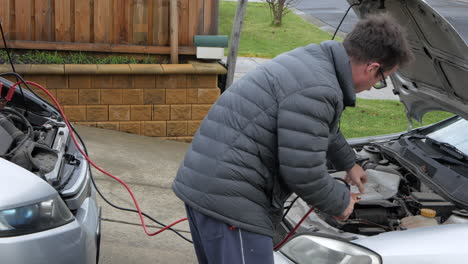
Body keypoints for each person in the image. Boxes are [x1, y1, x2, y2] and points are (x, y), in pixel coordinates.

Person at [172, 13, 413, 264]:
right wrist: (339, 203)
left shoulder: (316, 61)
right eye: (380, 81)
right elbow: (303, 172)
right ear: (372, 68)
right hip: (231, 201)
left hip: (211, 183)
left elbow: (318, 127)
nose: (373, 86)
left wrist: (348, 162)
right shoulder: (320, 88)